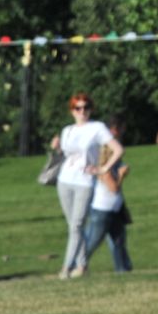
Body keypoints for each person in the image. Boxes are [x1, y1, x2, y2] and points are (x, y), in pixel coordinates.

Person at [52, 93, 122, 278]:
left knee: (76, 225)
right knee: (73, 225)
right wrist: (57, 147)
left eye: (86, 108)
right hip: (65, 180)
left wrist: (103, 168)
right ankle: (82, 266)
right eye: (78, 108)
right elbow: (67, 155)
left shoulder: (97, 128)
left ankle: (66, 268)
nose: (82, 112)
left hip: (84, 182)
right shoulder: (67, 130)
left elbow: (117, 149)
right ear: (72, 111)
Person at [80, 116, 133, 273]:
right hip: (103, 210)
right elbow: (113, 188)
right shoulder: (105, 167)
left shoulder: (109, 164)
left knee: (118, 240)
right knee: (92, 242)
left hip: (113, 209)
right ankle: (76, 265)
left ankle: (122, 269)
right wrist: (122, 175)